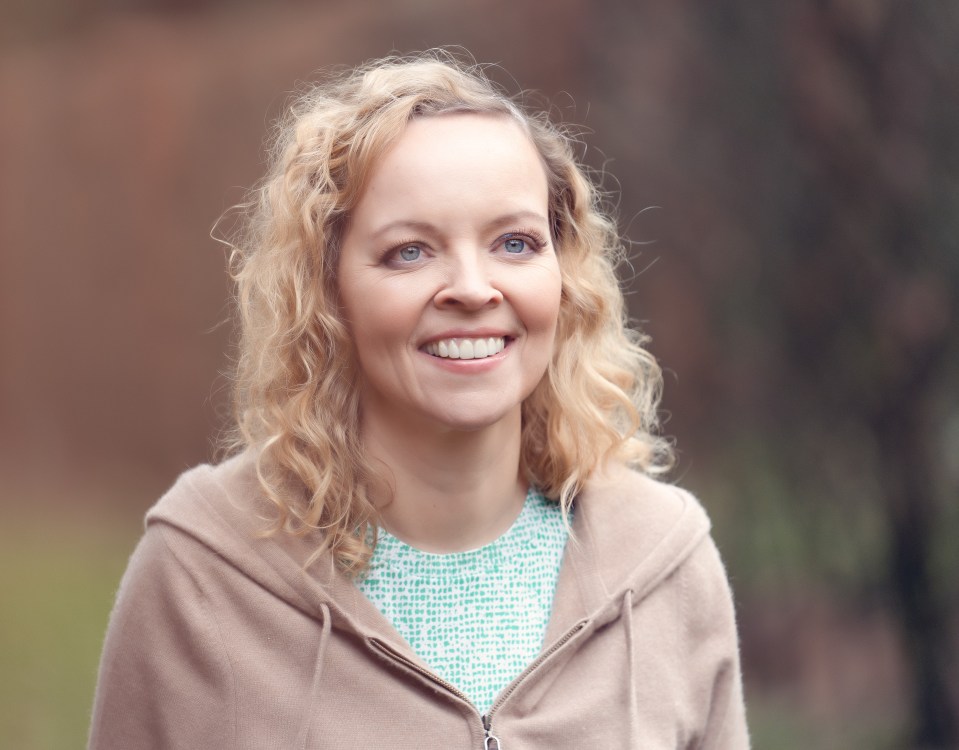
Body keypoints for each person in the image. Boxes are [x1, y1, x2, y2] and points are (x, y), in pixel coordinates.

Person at [88, 50, 749, 749]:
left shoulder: (664, 565)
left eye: (515, 243)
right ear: (327, 289)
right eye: (410, 251)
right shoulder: (198, 580)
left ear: (564, 275)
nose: (471, 286)